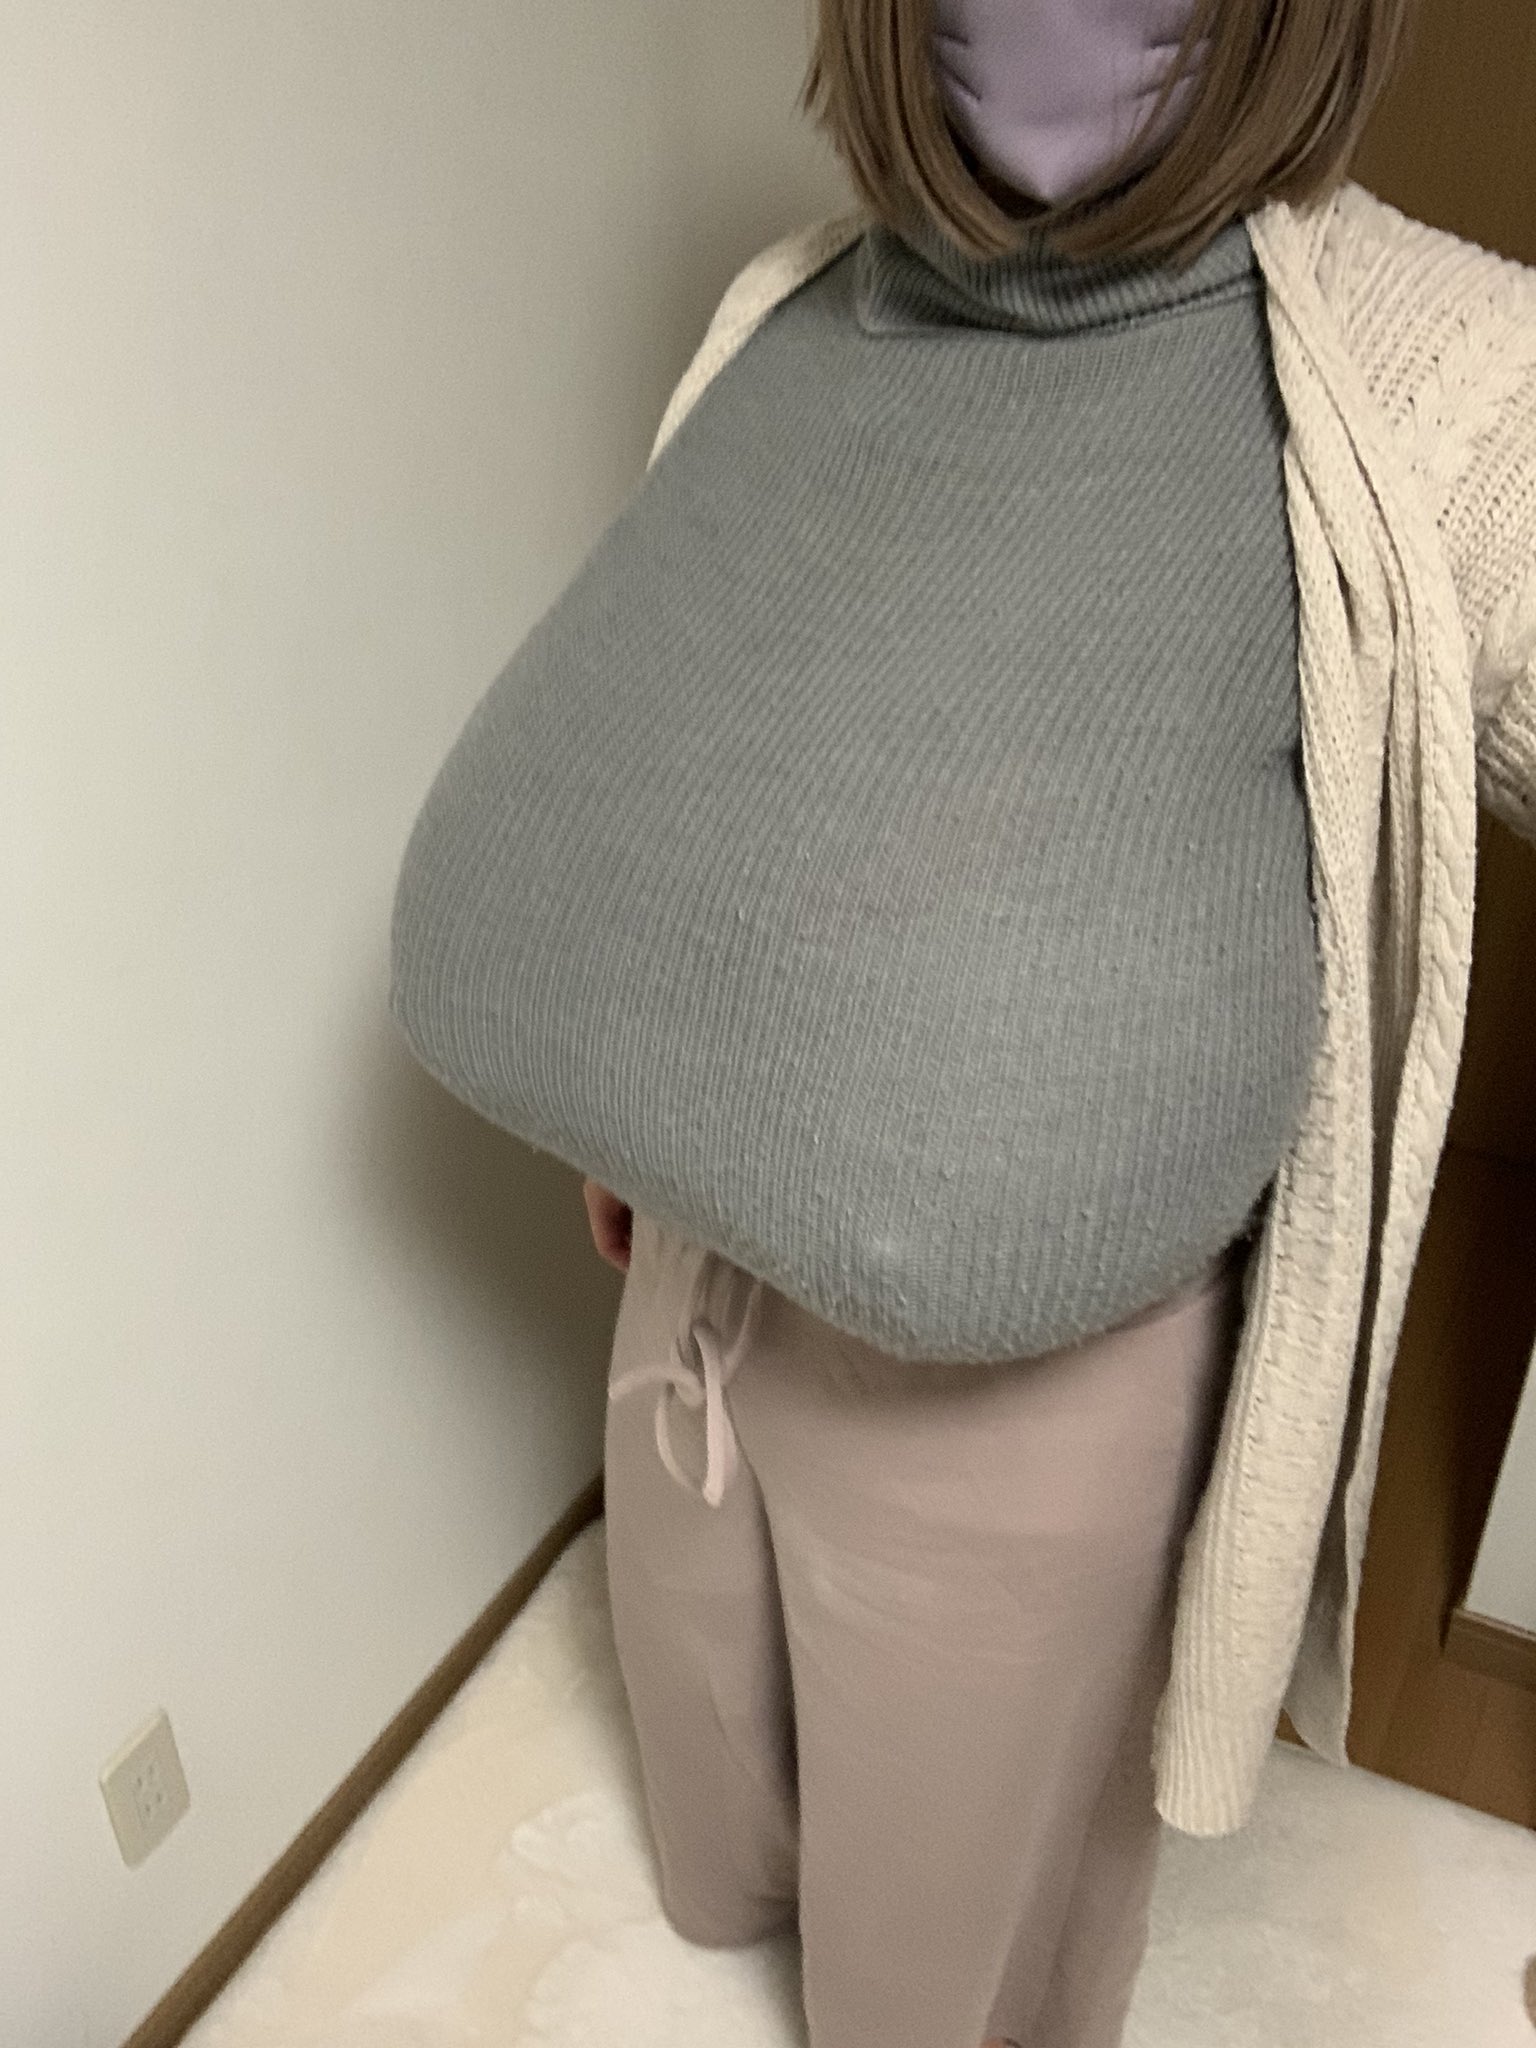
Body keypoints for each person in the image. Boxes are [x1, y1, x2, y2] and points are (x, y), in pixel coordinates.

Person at [388, 2, 1536, 2041]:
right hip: (695, 1265)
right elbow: (714, 715)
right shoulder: (791, 305)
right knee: (713, 1827)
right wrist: (628, 1117)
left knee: (937, 1973)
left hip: (1022, 1381)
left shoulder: (1439, 383)